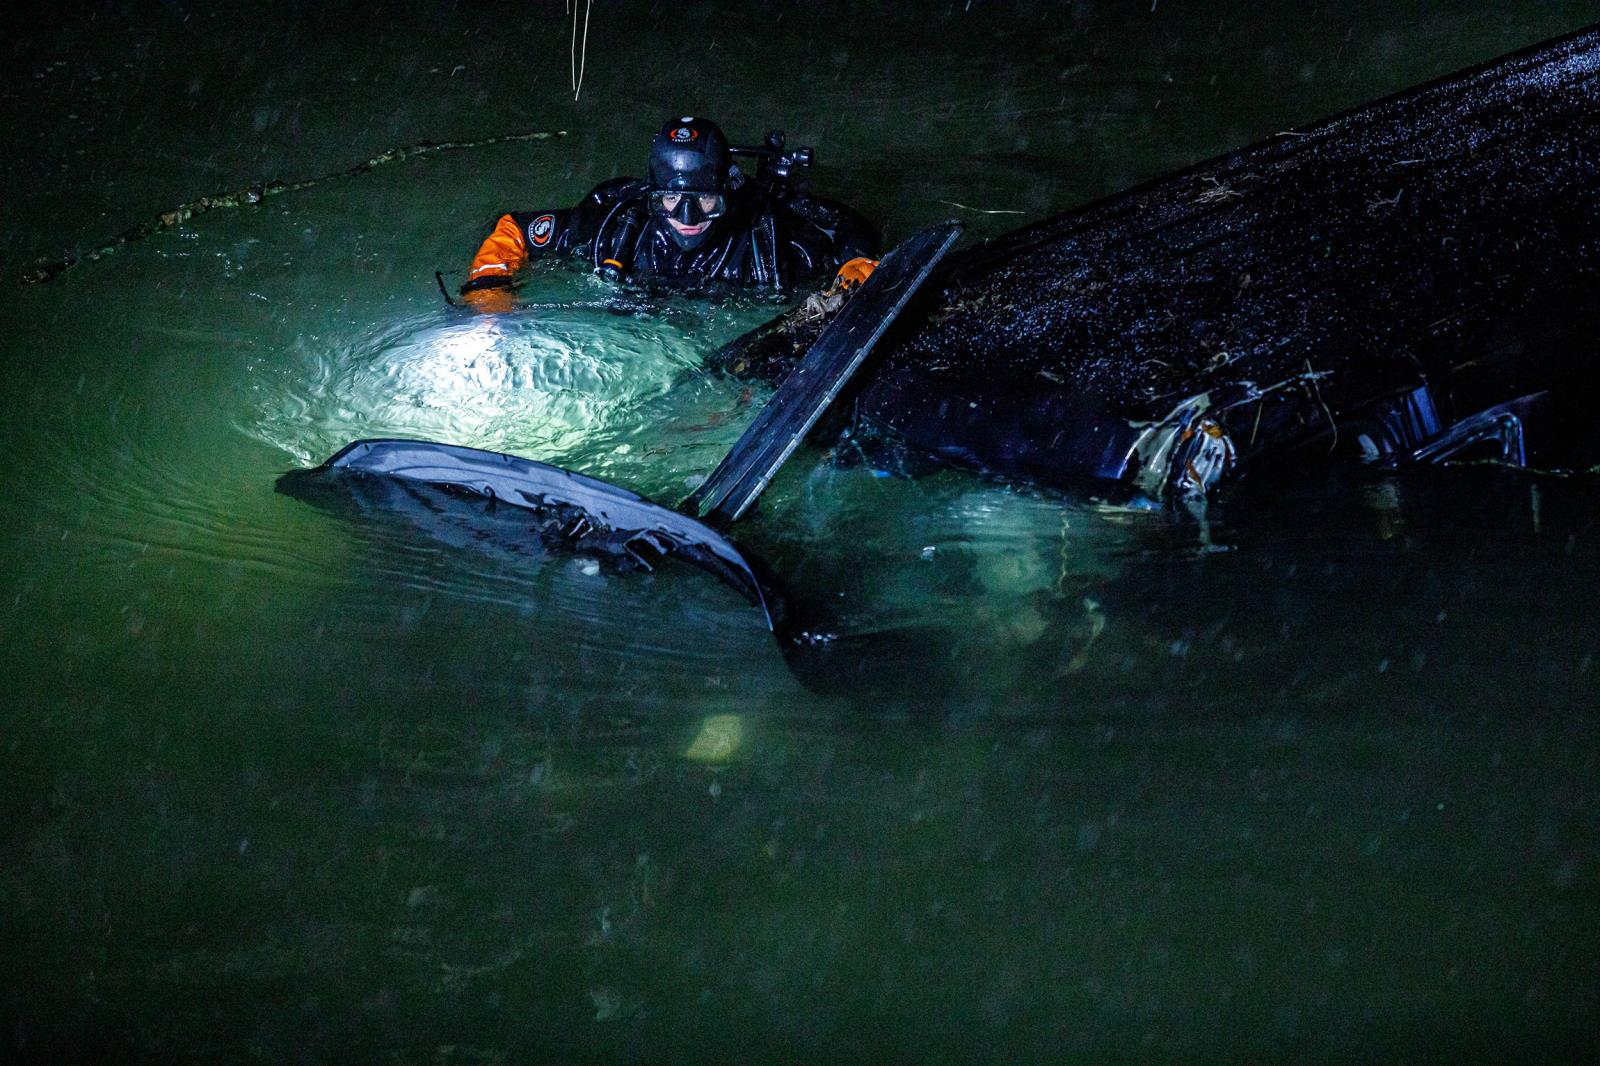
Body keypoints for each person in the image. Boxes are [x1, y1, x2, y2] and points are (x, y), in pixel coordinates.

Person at [459, 116, 880, 310]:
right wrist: (489, 289)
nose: (687, 215)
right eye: (670, 201)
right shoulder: (618, 227)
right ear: (653, 196)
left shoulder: (767, 244)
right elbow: (515, 228)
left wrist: (856, 266)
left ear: (728, 194)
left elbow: (846, 226)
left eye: (706, 201)